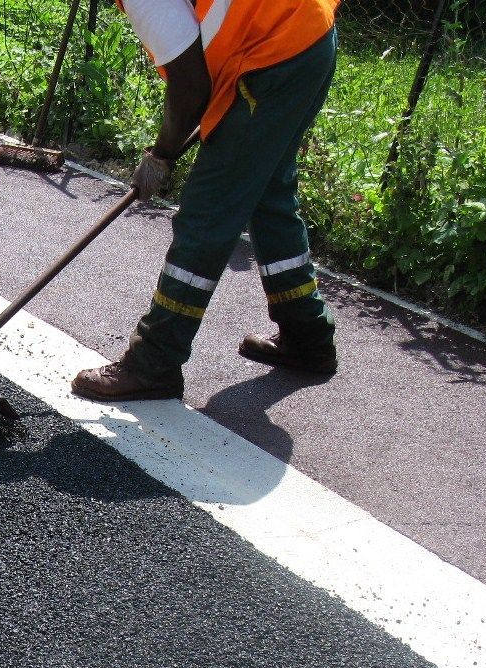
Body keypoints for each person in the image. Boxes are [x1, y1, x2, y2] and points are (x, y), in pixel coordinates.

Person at [71, 0, 340, 402]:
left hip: (272, 53)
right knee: (268, 196)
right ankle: (308, 333)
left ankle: (154, 361)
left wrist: (161, 156)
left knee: (207, 213)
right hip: (307, 33)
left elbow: (191, 84)